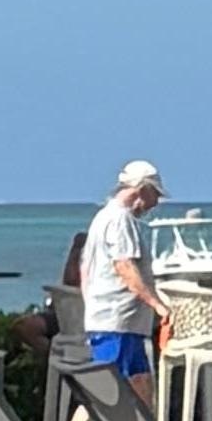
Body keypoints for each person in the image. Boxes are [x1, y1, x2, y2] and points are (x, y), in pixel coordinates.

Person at [80, 158, 169, 391]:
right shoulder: (121, 220)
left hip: (118, 321)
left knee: (141, 383)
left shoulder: (103, 217)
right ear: (142, 190)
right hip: (117, 321)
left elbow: (85, 270)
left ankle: (148, 419)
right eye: (155, 195)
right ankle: (78, 420)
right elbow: (125, 267)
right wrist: (157, 306)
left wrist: (90, 304)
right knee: (108, 392)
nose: (155, 203)